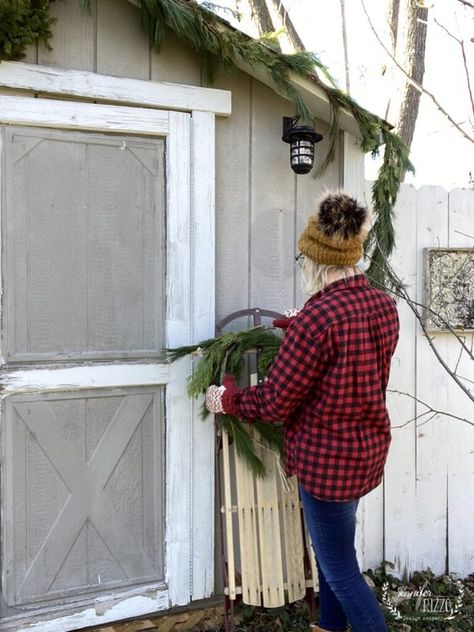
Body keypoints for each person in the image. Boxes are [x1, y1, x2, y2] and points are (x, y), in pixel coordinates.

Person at [205, 192, 400, 632]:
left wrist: (227, 399)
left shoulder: (318, 319)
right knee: (335, 555)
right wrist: (304, 329)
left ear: (315, 259)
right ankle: (328, 625)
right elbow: (353, 362)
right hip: (364, 452)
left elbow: (275, 402)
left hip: (327, 464)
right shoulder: (382, 305)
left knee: (341, 570)